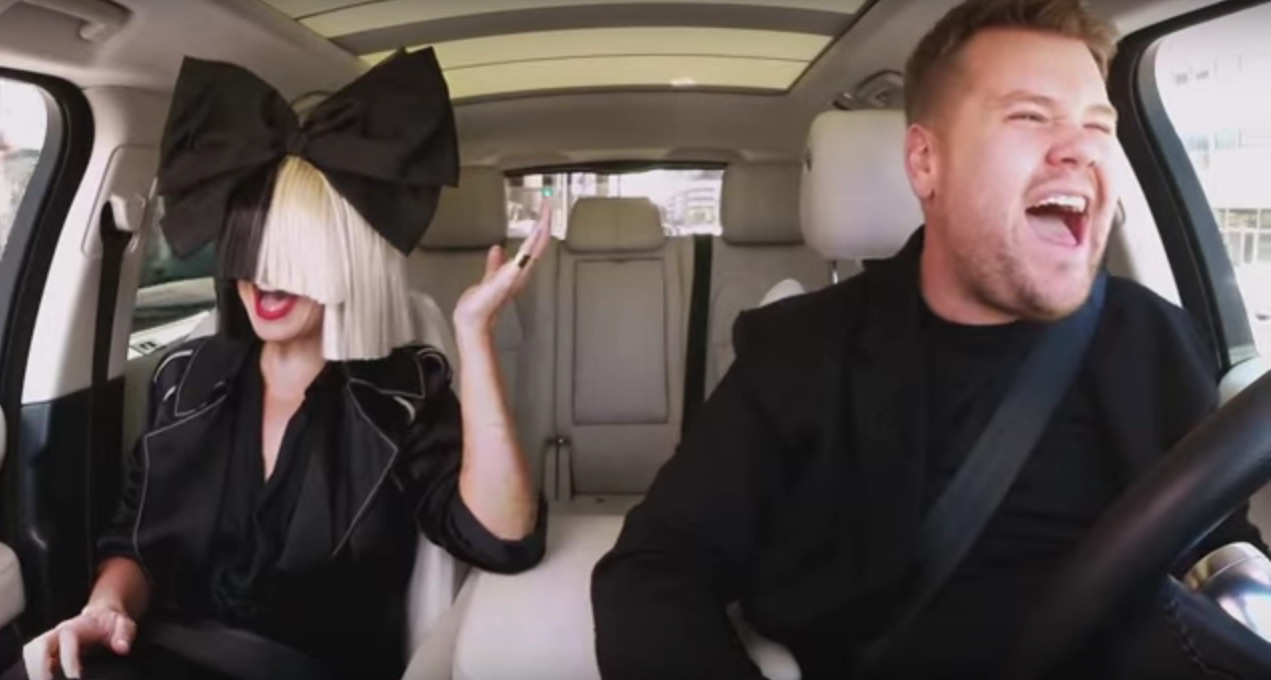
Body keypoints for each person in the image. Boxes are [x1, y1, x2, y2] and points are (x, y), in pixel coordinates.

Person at [591, 1, 1266, 678]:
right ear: (924, 162)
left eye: (1097, 125)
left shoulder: (1154, 337)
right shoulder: (796, 354)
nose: (1081, 148)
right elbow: (655, 569)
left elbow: (1219, 557)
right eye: (1029, 116)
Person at [11, 48, 548, 680]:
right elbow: (135, 545)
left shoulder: (403, 392)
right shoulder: (183, 379)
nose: (266, 274)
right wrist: (106, 607)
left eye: (295, 251)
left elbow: (502, 540)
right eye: (252, 244)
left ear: (347, 260)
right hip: (153, 656)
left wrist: (474, 335)